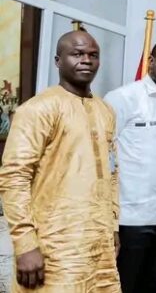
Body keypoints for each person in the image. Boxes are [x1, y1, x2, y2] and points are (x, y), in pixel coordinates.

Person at [0, 30, 120, 292]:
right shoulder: (38, 109)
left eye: (93, 55)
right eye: (77, 54)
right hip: (54, 246)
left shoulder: (105, 110)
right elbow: (14, 177)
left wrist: (112, 227)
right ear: (58, 61)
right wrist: (25, 244)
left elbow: (111, 173)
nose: (86, 60)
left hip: (99, 245)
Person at [104, 39, 156, 293]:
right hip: (132, 219)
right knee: (128, 286)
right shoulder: (122, 98)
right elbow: (104, 156)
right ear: (151, 61)